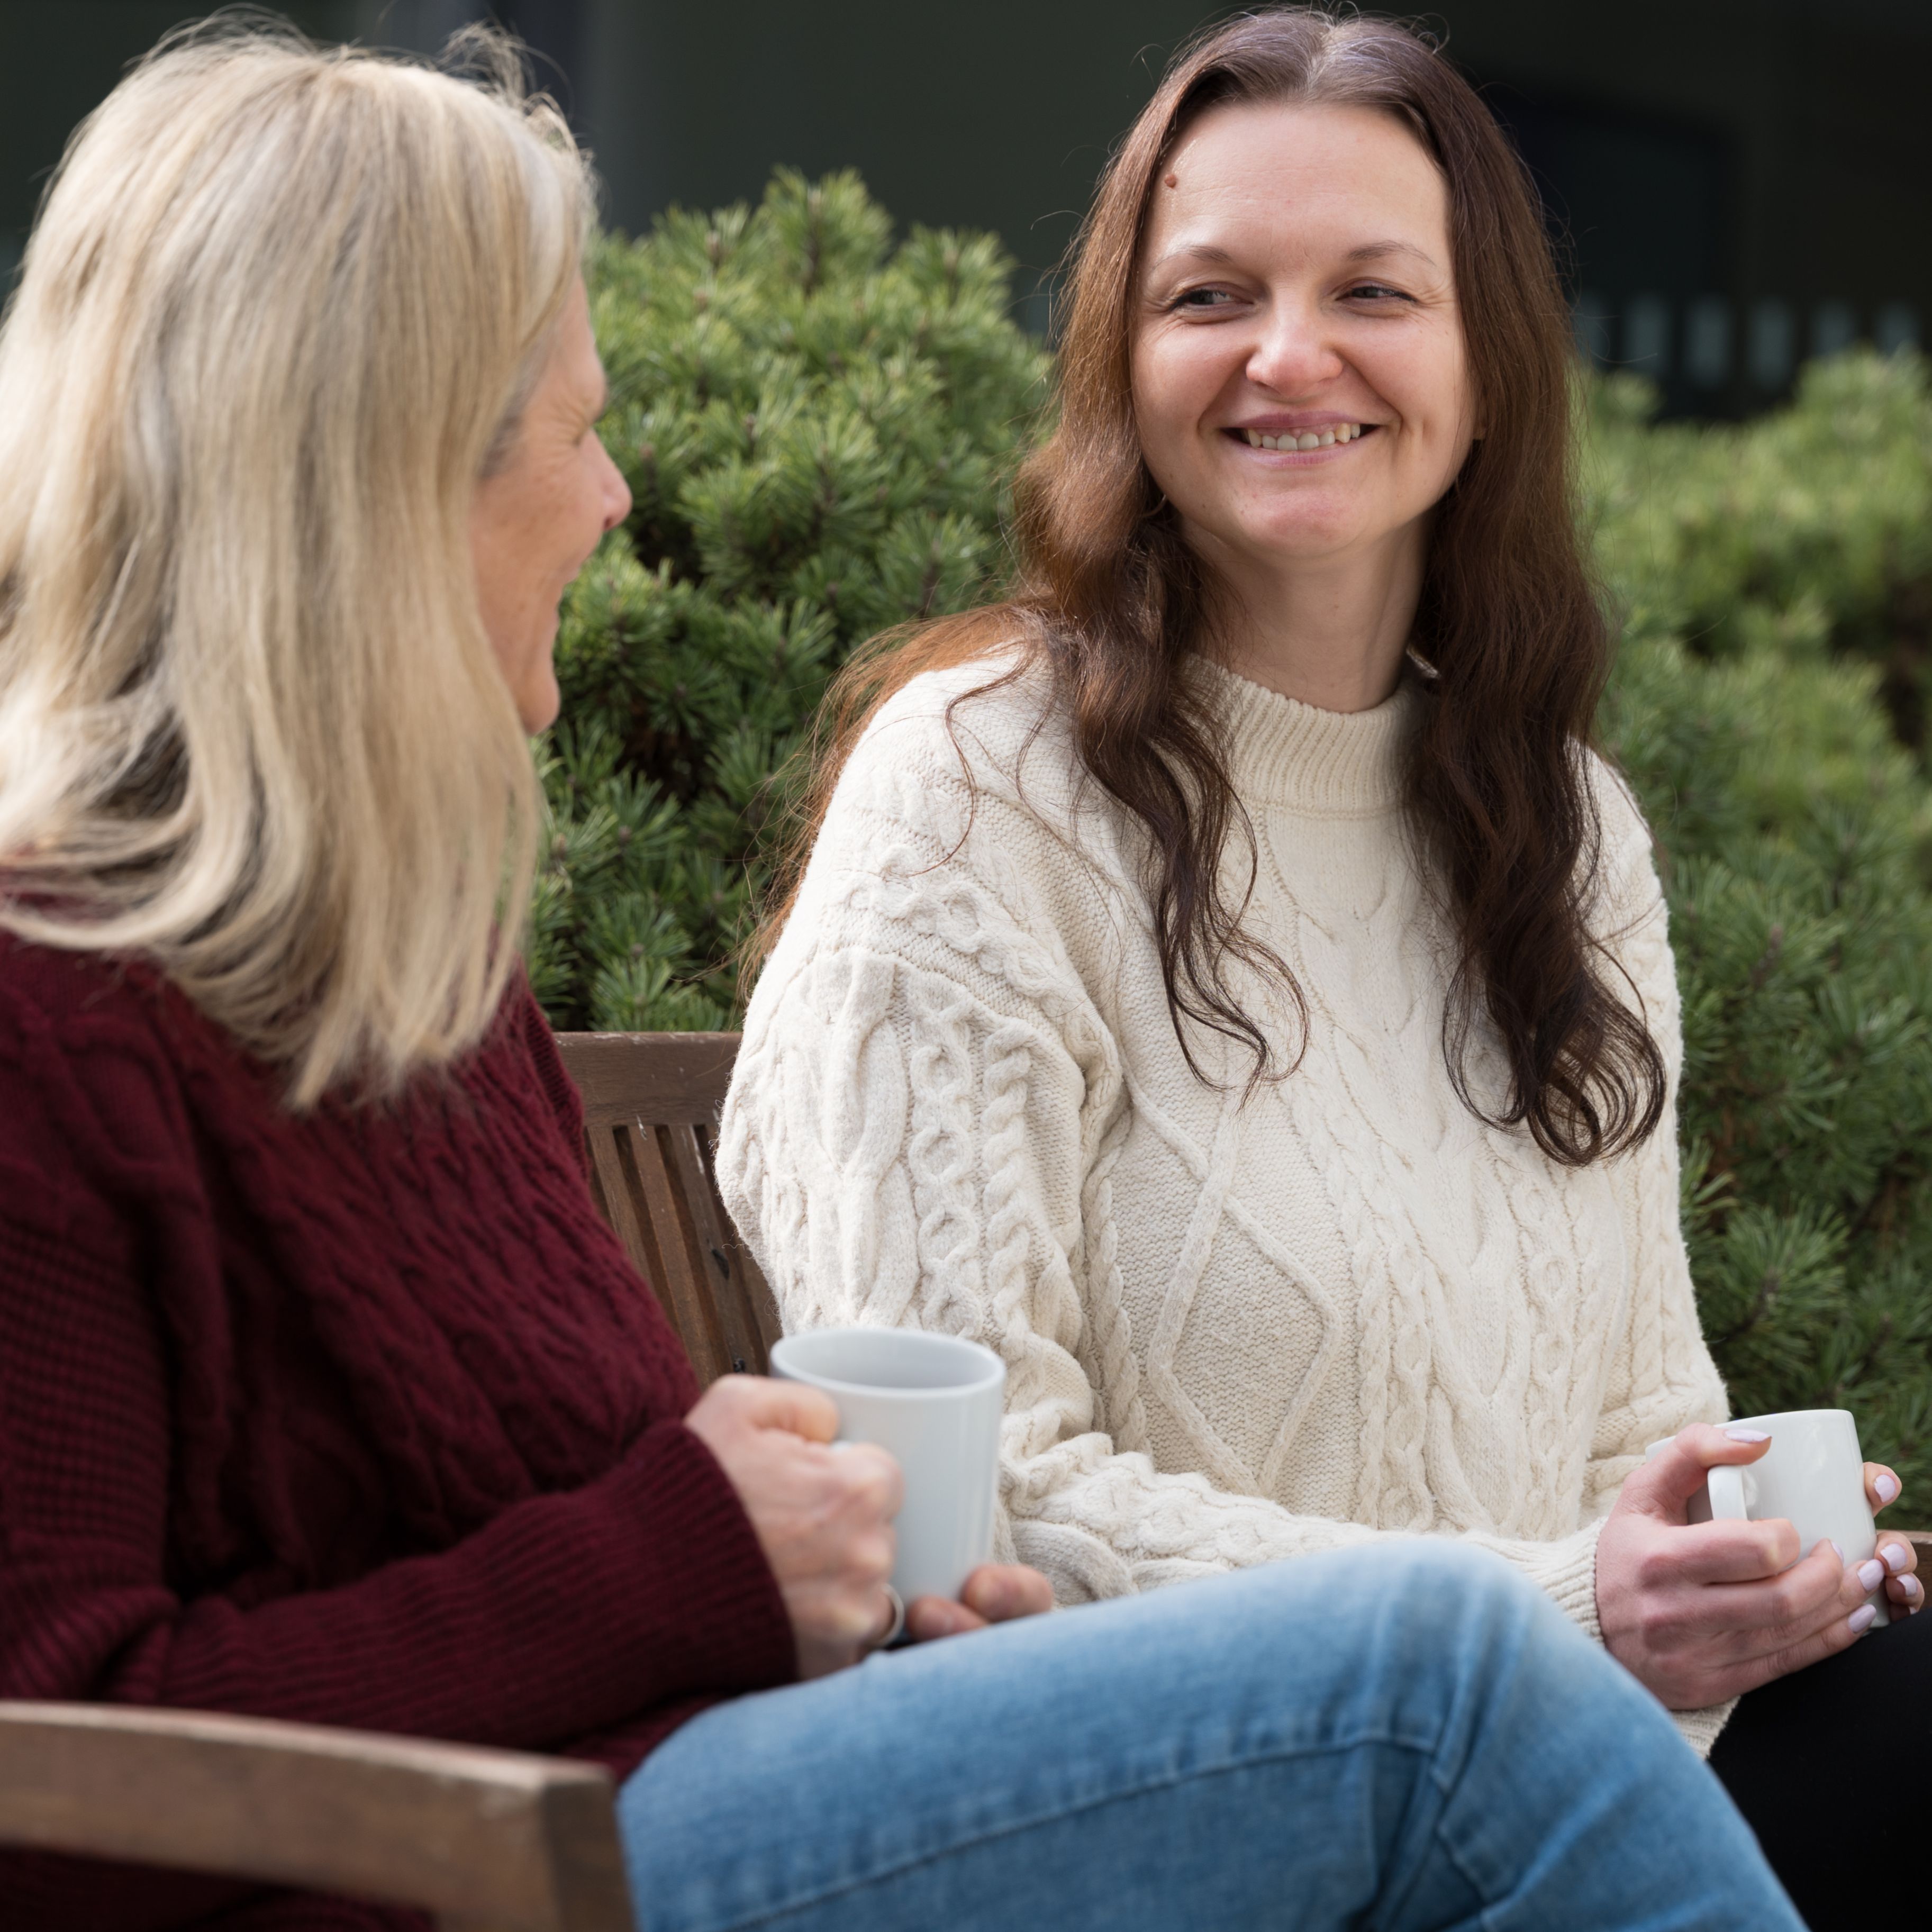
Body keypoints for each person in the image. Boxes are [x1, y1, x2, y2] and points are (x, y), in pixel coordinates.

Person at [0, 20, 1804, 1932]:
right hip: (521, 1881)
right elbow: (58, 1760)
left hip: (684, 1803)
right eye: (577, 425)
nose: (615, 497)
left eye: (1375, 290)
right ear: (372, 472)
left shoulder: (408, 990)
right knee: (1434, 1686)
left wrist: (860, 1606)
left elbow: (624, 1568)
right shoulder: (52, 1024)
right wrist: (685, 1557)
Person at [715, 9, 1921, 1926]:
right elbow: (971, 1497)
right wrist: (1560, 1607)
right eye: (1211, 294)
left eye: (1373, 288)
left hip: (1591, 1768)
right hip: (1210, 1806)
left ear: (1481, 360)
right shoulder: (972, 798)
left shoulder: (1564, 827)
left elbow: (1640, 1419)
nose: (1290, 356)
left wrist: (1745, 1574)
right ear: (1126, 355)